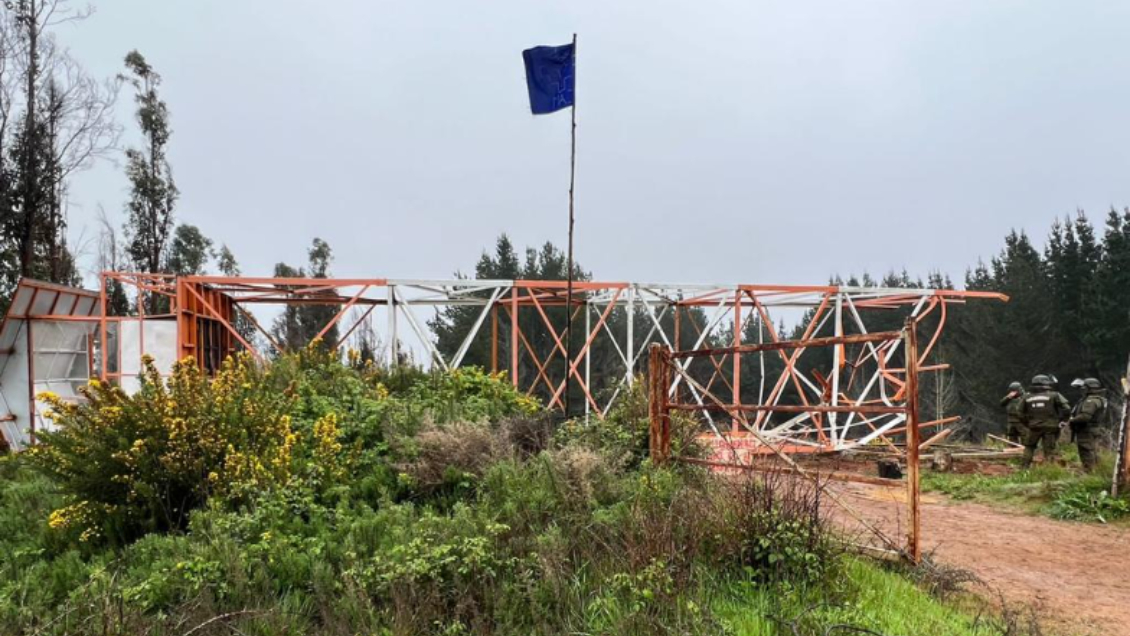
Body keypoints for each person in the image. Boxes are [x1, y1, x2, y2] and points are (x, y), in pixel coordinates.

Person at [1019, 374, 1071, 469]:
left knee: (1029, 447)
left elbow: (1019, 413)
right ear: (1047, 384)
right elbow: (1067, 408)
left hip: (1034, 427)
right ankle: (1050, 469)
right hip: (1051, 427)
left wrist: (1027, 424)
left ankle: (1024, 468)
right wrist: (1063, 420)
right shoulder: (1054, 395)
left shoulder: (1026, 397)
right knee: (1049, 450)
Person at [1068, 378, 1108, 472]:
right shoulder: (1098, 399)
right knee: (1093, 450)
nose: (1082, 390)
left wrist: (1072, 420)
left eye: (1084, 388)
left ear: (1089, 388)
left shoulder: (1091, 401)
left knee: (1086, 451)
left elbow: (1085, 416)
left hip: (1087, 430)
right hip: (1093, 429)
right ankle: (1097, 471)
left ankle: (1089, 472)